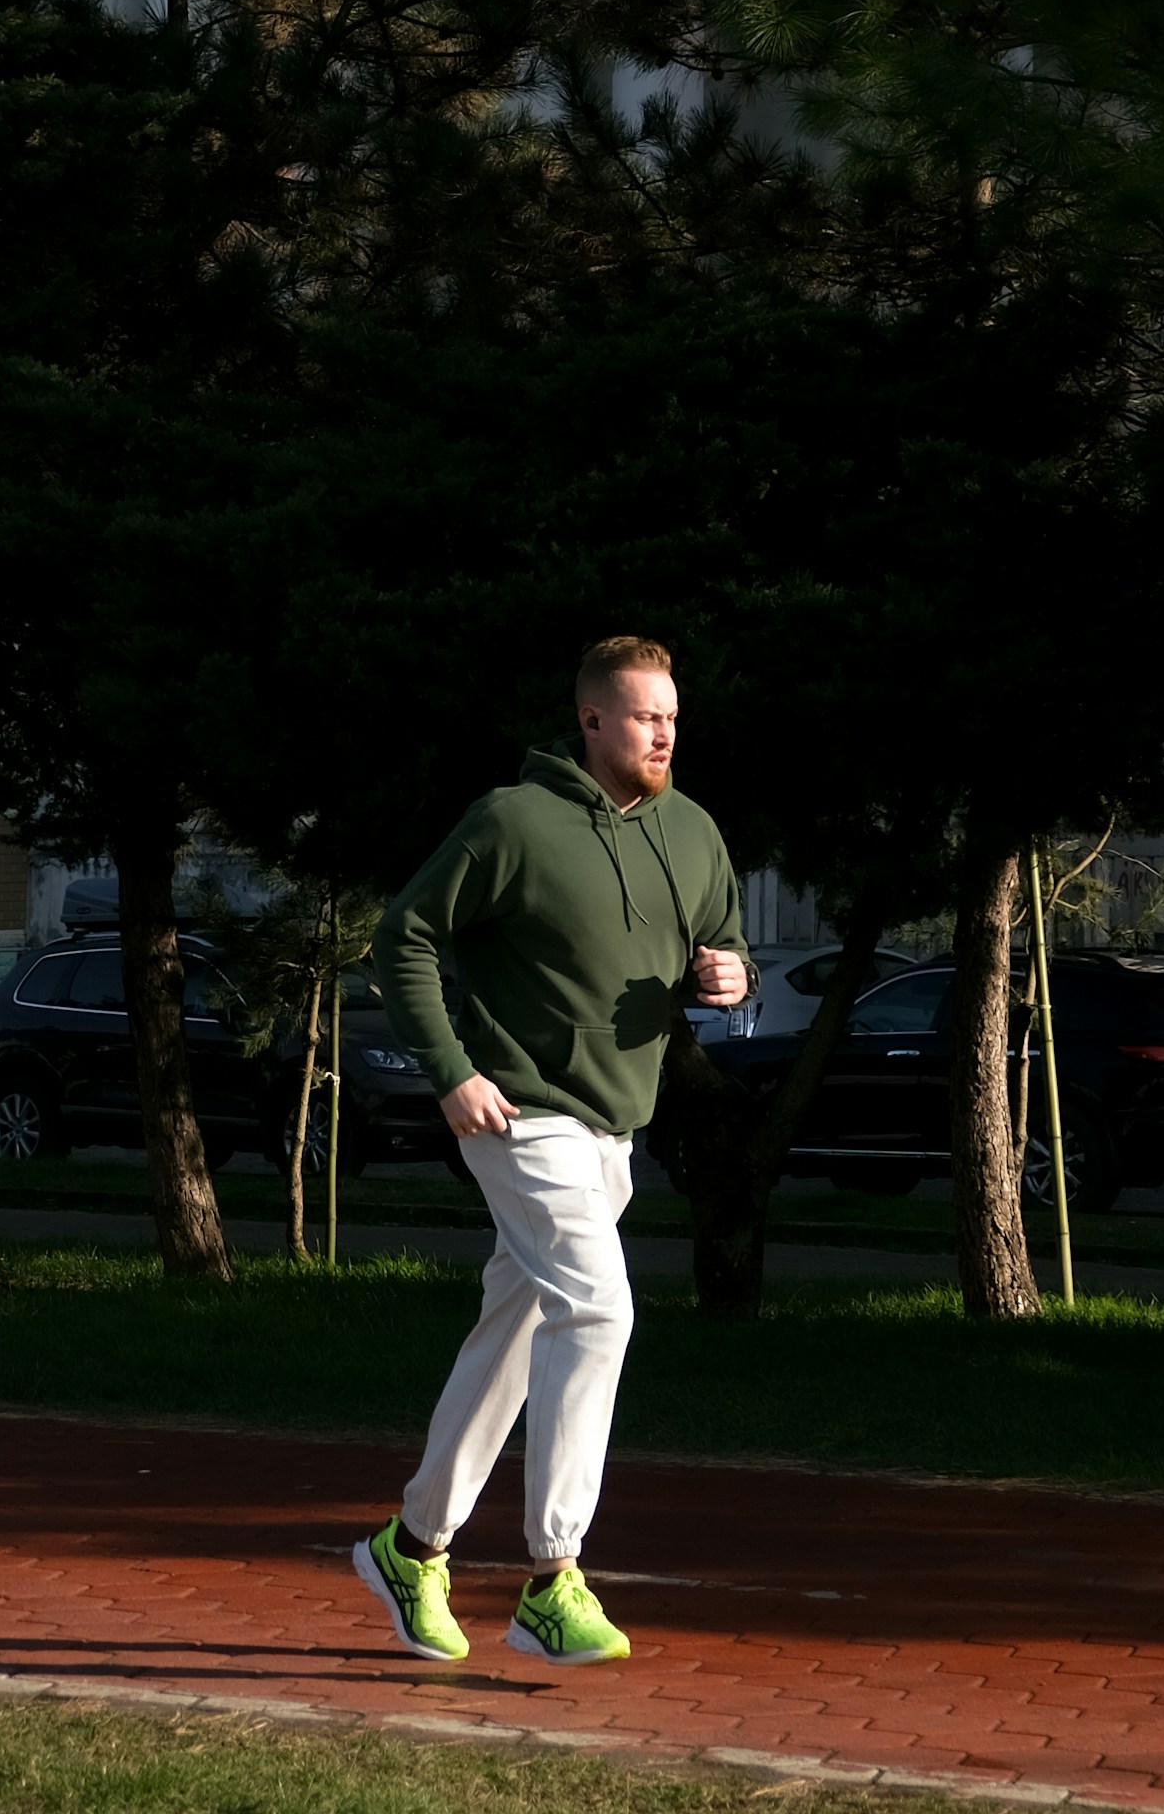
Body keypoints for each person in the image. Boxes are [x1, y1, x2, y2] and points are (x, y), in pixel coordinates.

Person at [354, 633, 751, 1667]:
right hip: (521, 1114)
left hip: (617, 1129)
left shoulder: (696, 833)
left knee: (514, 1331)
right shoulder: (513, 822)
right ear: (591, 721)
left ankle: (413, 1545)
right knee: (600, 1307)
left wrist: (729, 979)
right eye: (642, 715)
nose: (663, 731)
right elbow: (404, 934)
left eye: (671, 715)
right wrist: (449, 1069)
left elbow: (725, 941)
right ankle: (552, 1578)